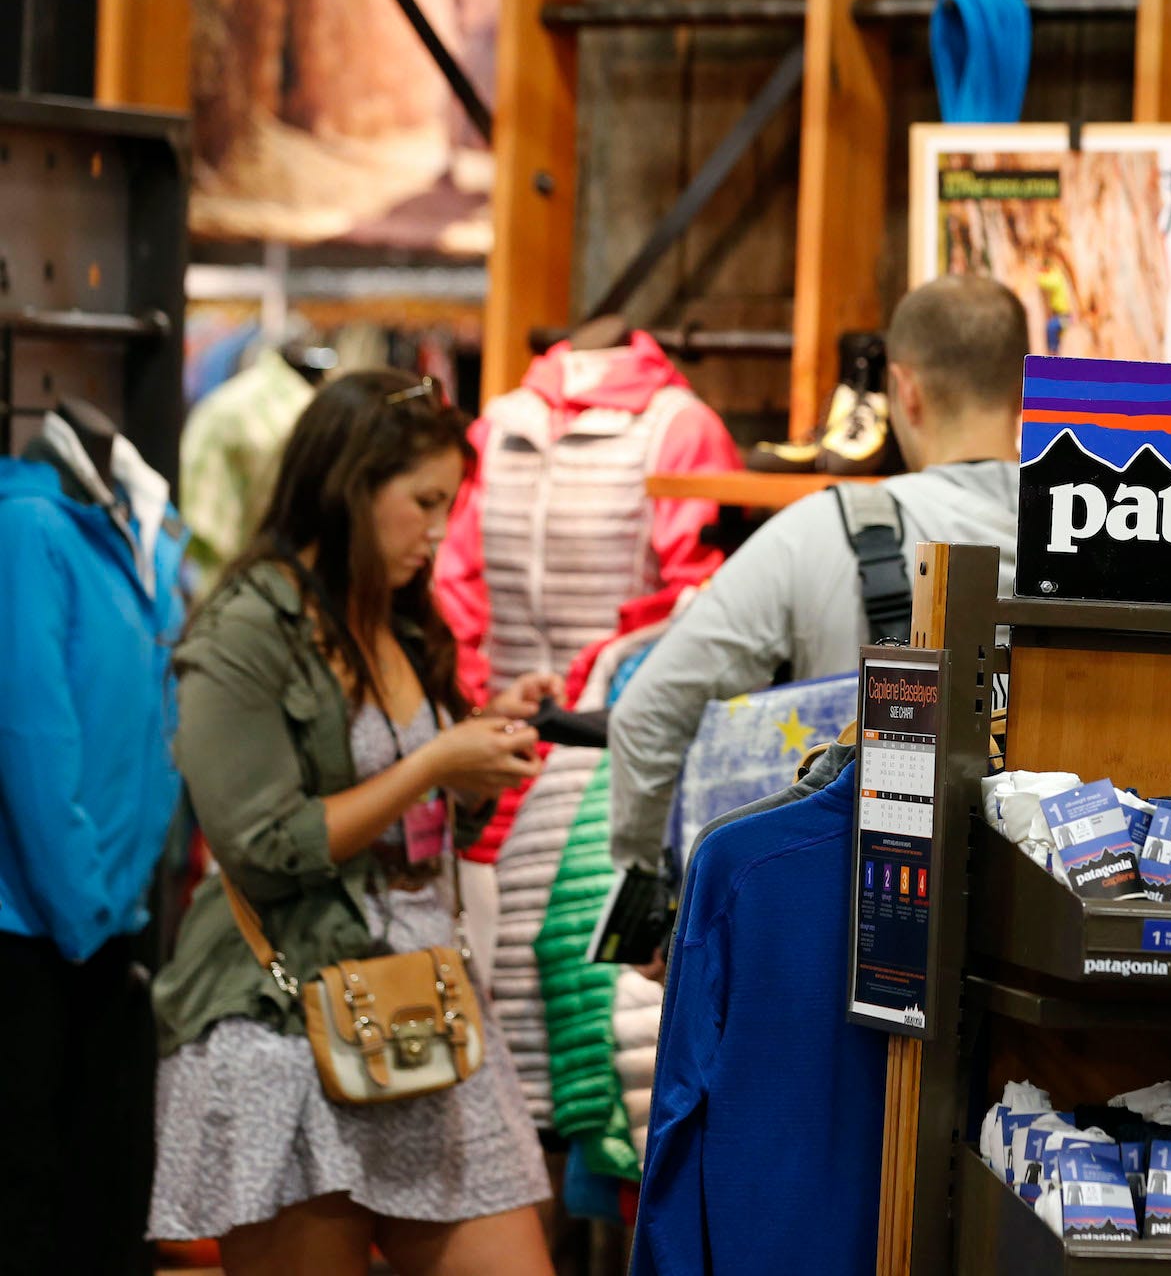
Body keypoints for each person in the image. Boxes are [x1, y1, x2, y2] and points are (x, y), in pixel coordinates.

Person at [150, 370, 559, 1275]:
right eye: (422, 502)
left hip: (424, 1005)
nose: (439, 531)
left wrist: (478, 742)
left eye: (449, 504)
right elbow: (259, 843)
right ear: (351, 486)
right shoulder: (246, 631)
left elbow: (415, 806)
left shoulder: (402, 622)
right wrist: (431, 766)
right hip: (289, 1015)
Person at [608, 274, 1029, 887]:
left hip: (849, 912)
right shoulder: (1094, 534)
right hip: (1045, 912)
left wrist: (648, 887)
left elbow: (644, 713)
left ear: (904, 389)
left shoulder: (819, 530)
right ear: (1022, 387)